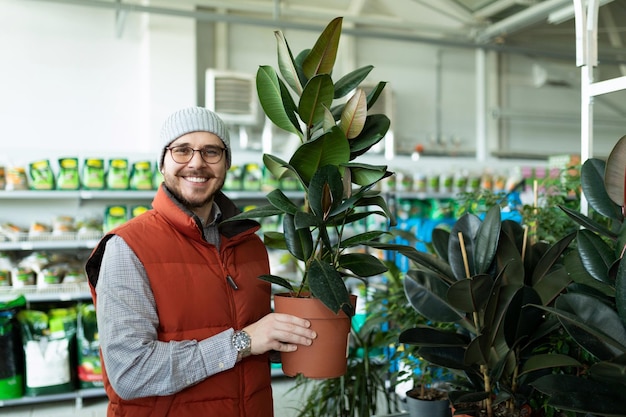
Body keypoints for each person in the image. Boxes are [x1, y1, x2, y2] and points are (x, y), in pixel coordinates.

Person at [85, 106, 317, 417]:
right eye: (182, 150)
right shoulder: (127, 247)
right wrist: (243, 342)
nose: (197, 162)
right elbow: (130, 373)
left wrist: (285, 336)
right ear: (163, 162)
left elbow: (250, 334)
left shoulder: (249, 243)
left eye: (211, 151)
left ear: (226, 163)